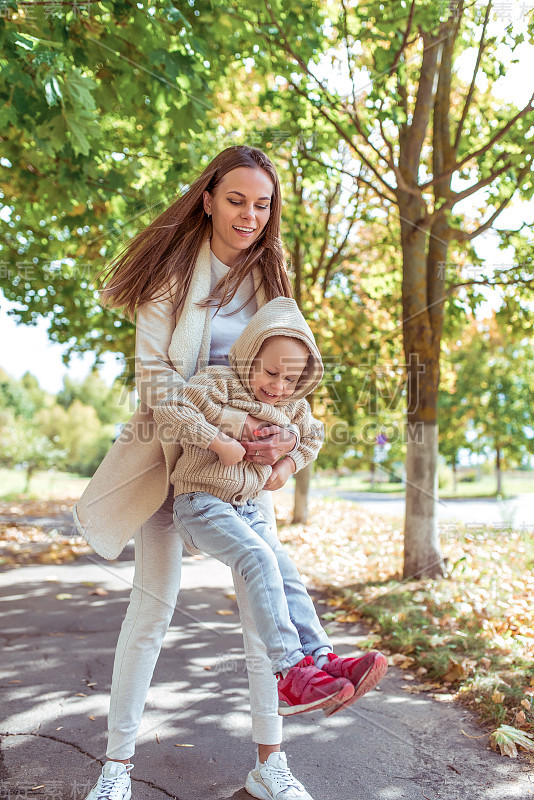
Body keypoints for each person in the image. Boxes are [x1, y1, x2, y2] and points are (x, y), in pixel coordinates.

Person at [74, 146, 327, 800]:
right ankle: (117, 767)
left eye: (262, 204)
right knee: (152, 609)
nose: (249, 215)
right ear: (209, 198)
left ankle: (270, 765)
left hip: (244, 474)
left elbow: (288, 380)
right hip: (171, 461)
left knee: (259, 603)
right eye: (237, 199)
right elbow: (157, 384)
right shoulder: (171, 277)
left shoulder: (273, 282)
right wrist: (226, 433)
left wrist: (282, 443)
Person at [153, 296, 388, 721]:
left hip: (248, 508)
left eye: (291, 379)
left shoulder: (293, 407)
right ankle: (290, 673)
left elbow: (313, 435)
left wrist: (288, 462)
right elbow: (171, 410)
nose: (278, 386)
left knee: (286, 569)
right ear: (248, 357)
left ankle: (323, 658)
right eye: (271, 372)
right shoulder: (218, 382)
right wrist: (217, 440)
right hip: (201, 502)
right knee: (260, 558)